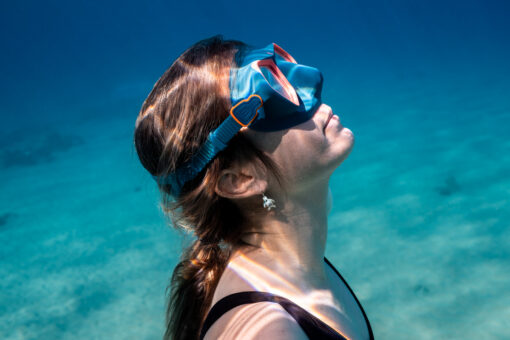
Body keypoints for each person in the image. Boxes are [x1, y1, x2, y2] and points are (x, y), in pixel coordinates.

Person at [133, 35, 374, 340]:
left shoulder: (298, 269)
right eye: (271, 96)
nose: (309, 83)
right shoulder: (272, 331)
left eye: (281, 69)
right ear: (239, 180)